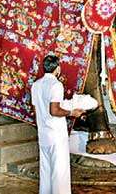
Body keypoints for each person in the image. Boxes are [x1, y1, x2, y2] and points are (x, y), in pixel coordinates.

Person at [32, 55, 85, 194]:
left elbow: (35, 110)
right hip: (56, 134)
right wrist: (71, 113)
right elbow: (54, 110)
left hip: (43, 133)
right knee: (59, 172)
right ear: (57, 68)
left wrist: (41, 124)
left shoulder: (36, 84)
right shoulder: (56, 85)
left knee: (46, 170)